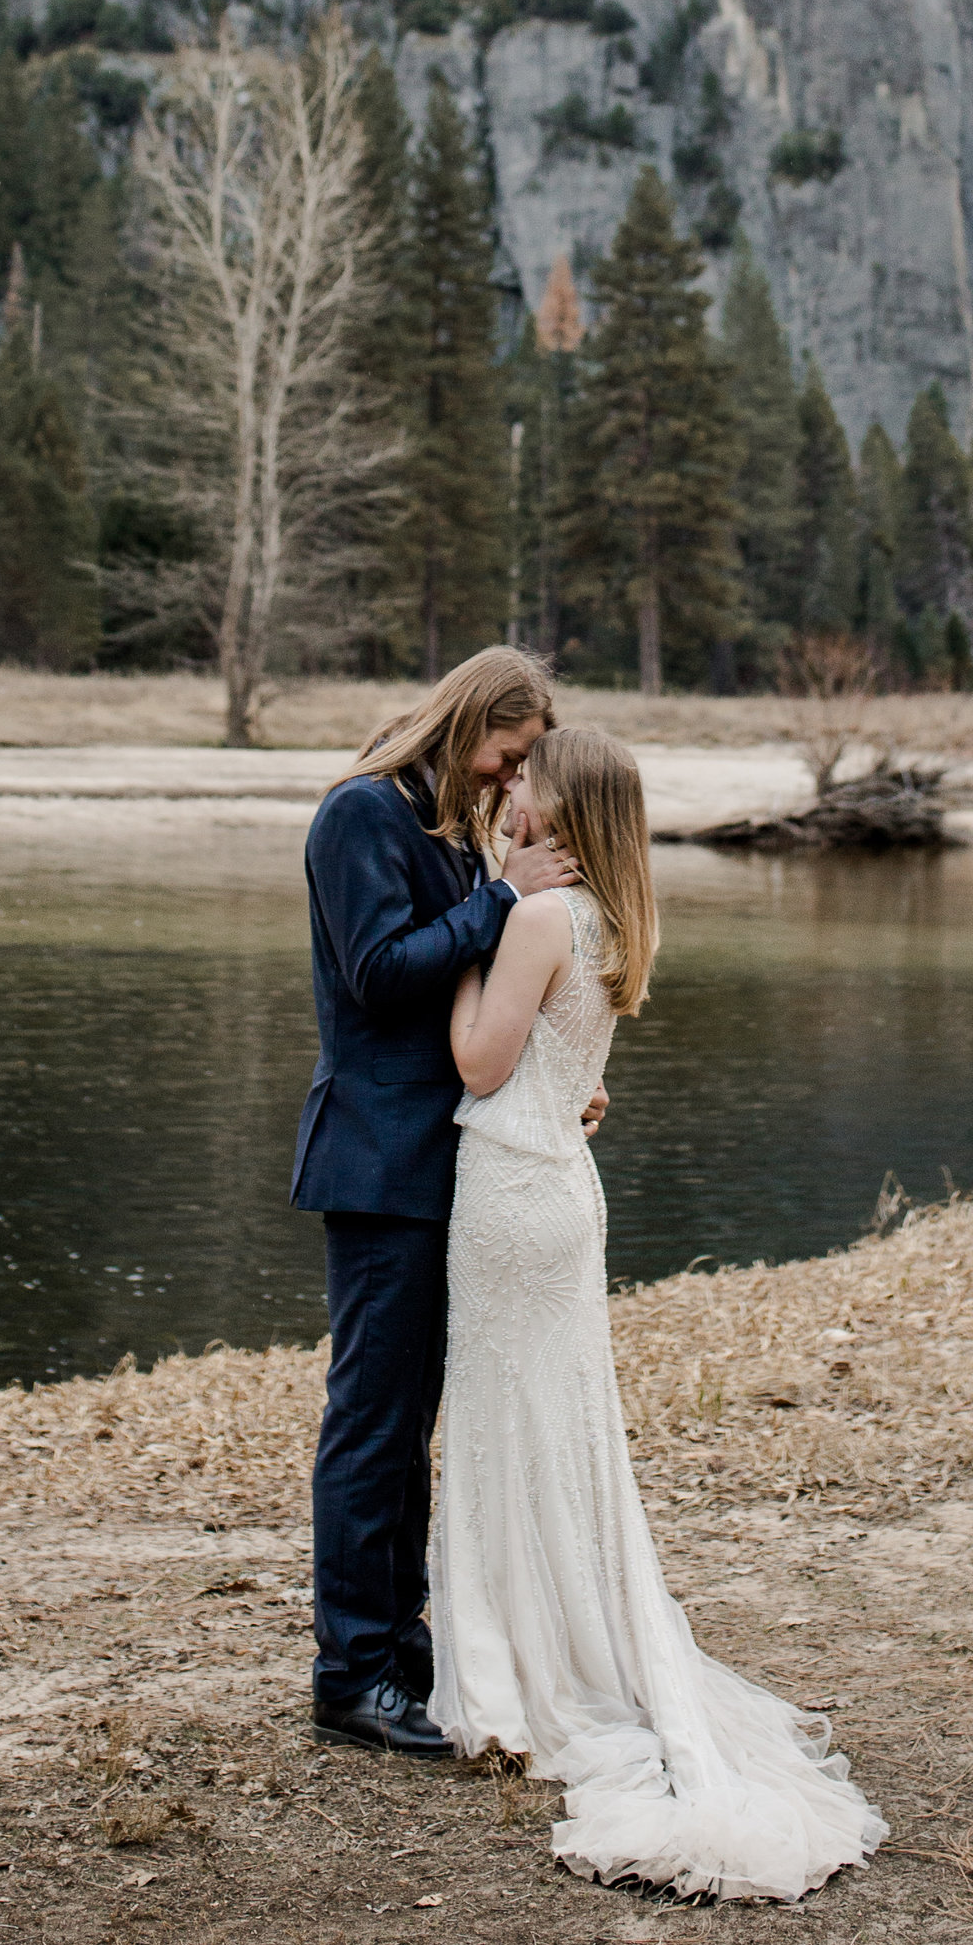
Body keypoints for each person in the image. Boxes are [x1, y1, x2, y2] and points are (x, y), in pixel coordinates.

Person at [430, 724, 887, 1900]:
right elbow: (573, 1068)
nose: (508, 789)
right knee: (562, 1426)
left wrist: (477, 928)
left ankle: (518, 1671)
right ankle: (562, 1643)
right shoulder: (613, 921)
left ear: (561, 806)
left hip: (511, 1195)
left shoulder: (532, 916)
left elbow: (480, 1061)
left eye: (524, 780)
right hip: (562, 1194)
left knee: (501, 1421)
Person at [292, 644, 586, 1757]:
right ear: (469, 723)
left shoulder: (439, 826)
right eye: (504, 757)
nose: (504, 782)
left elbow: (466, 995)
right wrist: (505, 897)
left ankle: (400, 1650)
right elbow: (378, 973)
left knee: (410, 1421)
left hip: (443, 1159)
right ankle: (349, 1674)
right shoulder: (358, 816)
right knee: (371, 1423)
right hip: (377, 1162)